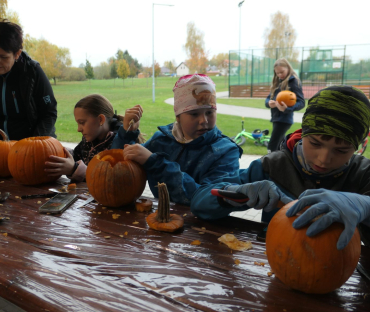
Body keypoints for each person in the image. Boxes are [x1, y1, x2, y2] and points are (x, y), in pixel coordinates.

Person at [191, 85, 370, 250]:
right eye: (315, 143)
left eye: (341, 150)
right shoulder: (271, 166)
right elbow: (199, 202)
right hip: (275, 262)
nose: (323, 159)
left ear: (358, 147)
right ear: (303, 133)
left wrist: (366, 206)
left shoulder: (363, 175)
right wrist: (231, 195)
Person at [111, 74, 242, 205]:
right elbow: (119, 170)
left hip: (210, 225)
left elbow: (208, 200)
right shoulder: (161, 140)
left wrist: (155, 163)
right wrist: (127, 134)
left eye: (209, 112)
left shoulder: (226, 152)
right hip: (163, 218)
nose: (204, 120)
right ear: (178, 116)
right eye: (194, 114)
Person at [44, 94, 145, 182]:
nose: (78, 129)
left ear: (100, 119)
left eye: (82, 123)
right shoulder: (89, 139)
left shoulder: (119, 143)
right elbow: (77, 156)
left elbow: (107, 175)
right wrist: (57, 151)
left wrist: (74, 169)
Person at [0, 19, 57, 140]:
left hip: (30, 146)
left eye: (4, 57)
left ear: (17, 54)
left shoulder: (32, 72)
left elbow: (49, 113)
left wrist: (34, 143)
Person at [265, 58, 305, 152]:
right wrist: (269, 103)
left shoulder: (294, 82)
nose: (279, 75)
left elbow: (301, 102)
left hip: (284, 119)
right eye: (277, 73)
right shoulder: (277, 82)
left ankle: (268, 163)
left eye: (282, 72)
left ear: (288, 68)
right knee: (280, 145)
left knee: (272, 145)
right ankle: (282, 163)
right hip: (275, 118)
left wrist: (287, 108)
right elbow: (268, 98)